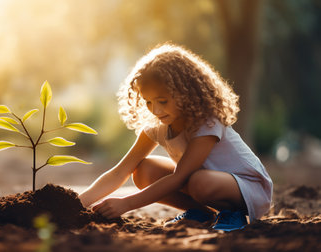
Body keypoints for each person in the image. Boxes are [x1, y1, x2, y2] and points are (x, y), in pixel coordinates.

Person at [78, 43, 273, 231]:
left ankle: (232, 213)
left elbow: (180, 177)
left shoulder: (207, 123)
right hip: (201, 180)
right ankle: (201, 213)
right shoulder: (158, 126)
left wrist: (126, 204)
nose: (156, 110)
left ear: (186, 92)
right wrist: (76, 203)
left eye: (162, 101)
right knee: (144, 170)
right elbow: (120, 172)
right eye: (148, 102)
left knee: (198, 181)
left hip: (248, 188)